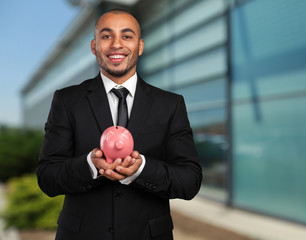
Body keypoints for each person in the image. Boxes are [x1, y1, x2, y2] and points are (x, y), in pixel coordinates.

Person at [37, 8, 202, 240]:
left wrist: (142, 168)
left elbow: (189, 180)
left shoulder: (170, 105)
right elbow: (47, 177)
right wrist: (90, 166)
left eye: (127, 36)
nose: (116, 44)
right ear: (94, 47)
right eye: (106, 36)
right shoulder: (67, 100)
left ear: (140, 46)